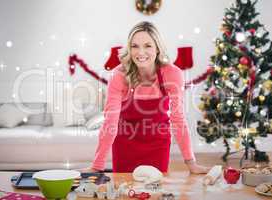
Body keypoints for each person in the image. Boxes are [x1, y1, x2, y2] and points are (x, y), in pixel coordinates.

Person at [86, 21, 209, 174]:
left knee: (154, 191)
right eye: (134, 46)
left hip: (158, 146)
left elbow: (178, 119)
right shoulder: (119, 75)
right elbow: (110, 122)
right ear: (129, 49)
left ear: (157, 48)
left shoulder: (172, 74)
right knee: (125, 193)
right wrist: (97, 165)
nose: (140, 52)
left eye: (148, 46)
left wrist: (191, 163)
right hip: (125, 146)